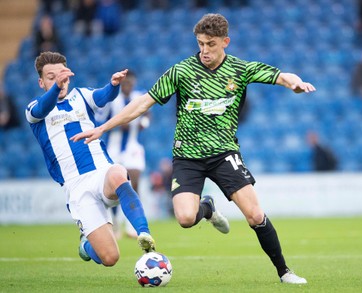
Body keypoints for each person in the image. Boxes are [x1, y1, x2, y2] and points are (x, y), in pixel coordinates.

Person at [71, 13, 315, 284]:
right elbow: (142, 103)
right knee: (186, 218)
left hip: (224, 153)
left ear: (225, 42)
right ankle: (207, 209)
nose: (205, 50)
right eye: (200, 44)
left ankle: (284, 272)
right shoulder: (182, 71)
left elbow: (282, 76)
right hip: (187, 156)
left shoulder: (240, 69)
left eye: (211, 44)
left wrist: (295, 83)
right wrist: (104, 128)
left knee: (255, 214)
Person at [25, 51, 155, 267]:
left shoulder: (80, 96)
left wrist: (113, 85)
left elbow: (103, 97)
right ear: (41, 82)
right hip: (76, 187)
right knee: (110, 258)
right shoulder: (33, 110)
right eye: (51, 77)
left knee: (118, 172)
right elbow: (42, 107)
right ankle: (86, 245)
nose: (60, 80)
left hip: (101, 172)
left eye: (63, 75)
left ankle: (144, 235)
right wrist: (57, 86)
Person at [103, 71, 150, 238]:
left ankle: (132, 225)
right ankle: (115, 221)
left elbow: (147, 115)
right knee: (115, 186)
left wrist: (144, 123)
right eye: (125, 84)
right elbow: (102, 120)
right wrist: (117, 125)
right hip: (114, 147)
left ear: (134, 83)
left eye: (130, 83)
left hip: (133, 146)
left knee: (135, 182)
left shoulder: (140, 96)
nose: (127, 87)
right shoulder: (112, 100)